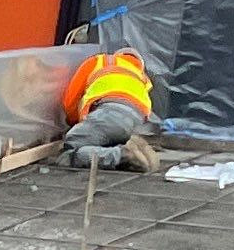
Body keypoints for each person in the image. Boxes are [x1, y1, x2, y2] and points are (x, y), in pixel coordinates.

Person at [62, 39, 164, 171]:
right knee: (105, 141)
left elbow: (70, 101)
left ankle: (123, 155)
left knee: (71, 149)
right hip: (136, 123)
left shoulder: (100, 62)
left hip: (109, 112)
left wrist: (74, 124)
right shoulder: (141, 78)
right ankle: (135, 153)